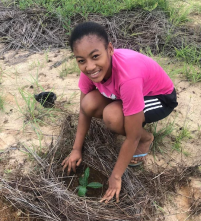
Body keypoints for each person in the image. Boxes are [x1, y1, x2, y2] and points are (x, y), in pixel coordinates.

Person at [61, 21, 178, 203]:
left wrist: (116, 177)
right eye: (81, 61)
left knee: (113, 117)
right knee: (89, 102)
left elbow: (132, 137)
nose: (90, 66)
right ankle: (131, 122)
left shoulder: (128, 77)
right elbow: (84, 111)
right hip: (129, 93)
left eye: (95, 56)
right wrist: (76, 149)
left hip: (159, 98)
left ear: (109, 49)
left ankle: (147, 138)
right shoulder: (89, 72)